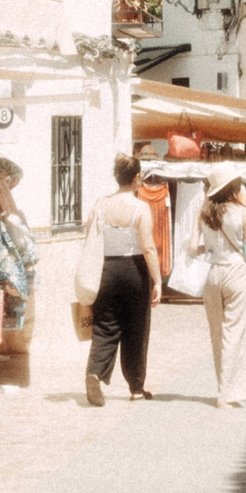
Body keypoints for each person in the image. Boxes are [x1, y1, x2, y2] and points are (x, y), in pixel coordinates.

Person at [82, 152, 162, 404]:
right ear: (137, 178)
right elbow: (148, 247)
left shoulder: (100, 204)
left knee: (104, 326)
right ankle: (136, 388)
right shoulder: (140, 208)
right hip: (134, 269)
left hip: (106, 269)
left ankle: (95, 372)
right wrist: (157, 280)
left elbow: (88, 233)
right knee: (136, 329)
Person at [196, 174, 246, 407]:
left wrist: (210, 247)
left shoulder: (204, 213)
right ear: (232, 189)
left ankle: (222, 388)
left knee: (216, 333)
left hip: (212, 274)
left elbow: (193, 248)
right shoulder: (242, 212)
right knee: (235, 332)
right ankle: (229, 392)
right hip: (235, 272)